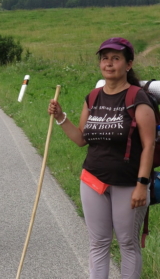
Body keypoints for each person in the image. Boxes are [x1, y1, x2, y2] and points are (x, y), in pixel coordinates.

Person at [48, 37, 155, 279]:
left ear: (128, 64)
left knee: (128, 244)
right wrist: (61, 116)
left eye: (115, 58)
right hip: (92, 180)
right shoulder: (93, 97)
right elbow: (81, 139)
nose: (108, 63)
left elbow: (148, 146)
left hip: (128, 183)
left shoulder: (138, 99)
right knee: (98, 243)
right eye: (105, 58)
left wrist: (142, 184)